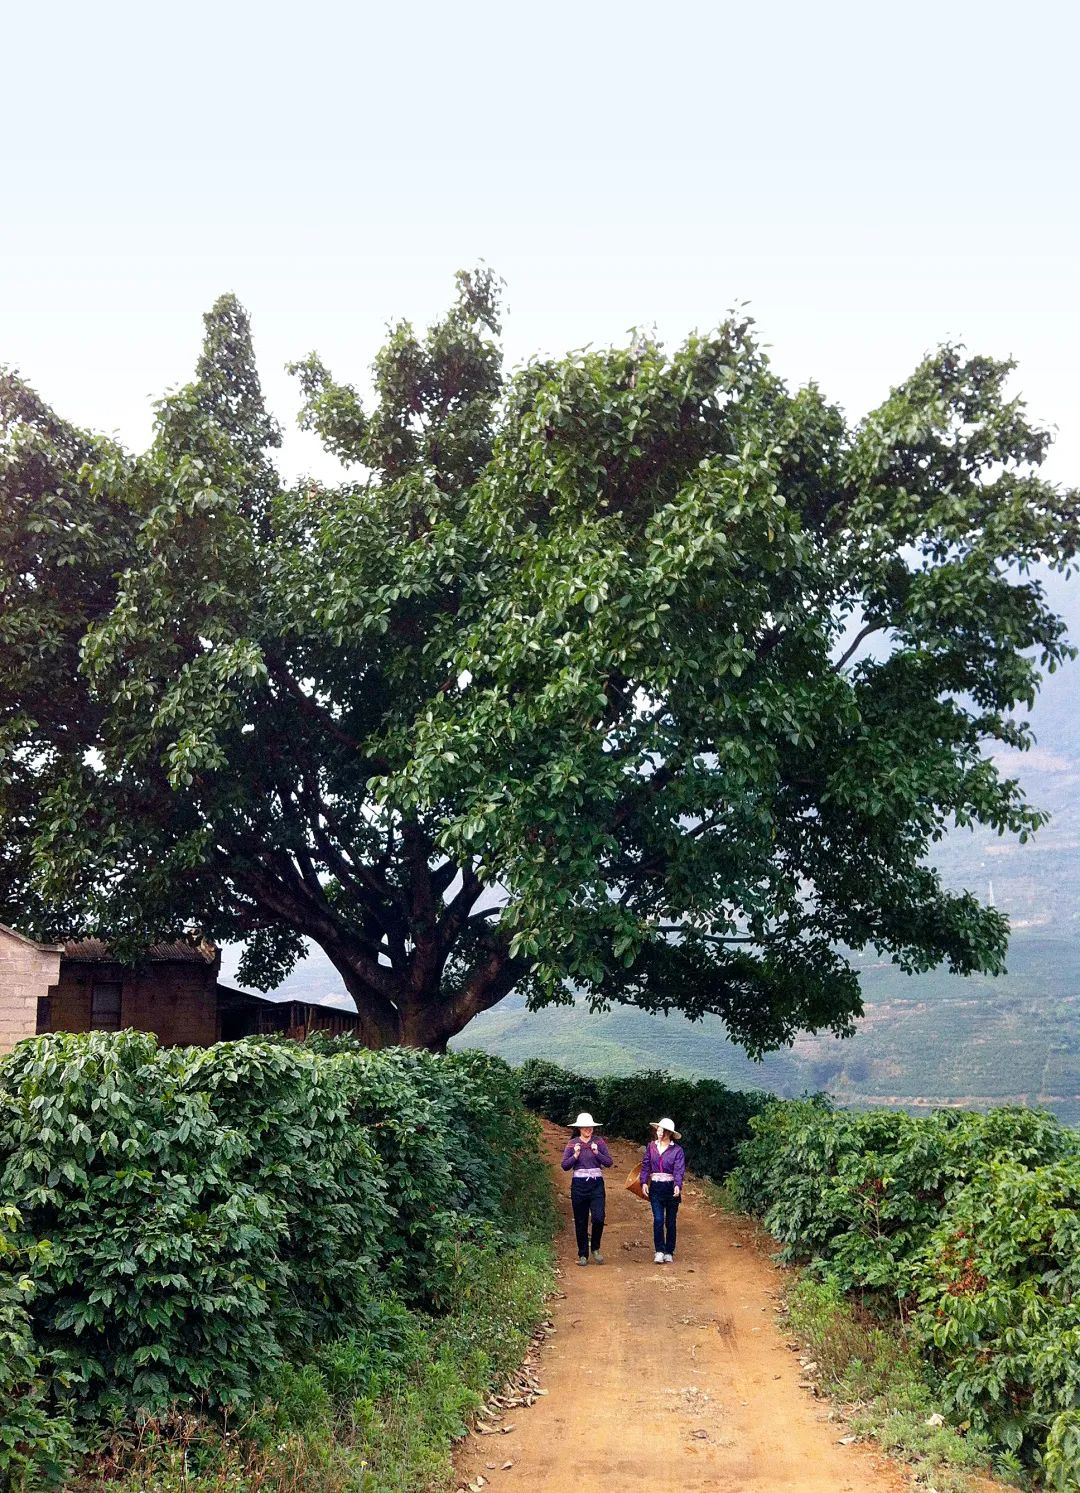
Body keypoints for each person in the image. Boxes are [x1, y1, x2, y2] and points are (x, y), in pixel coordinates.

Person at [560, 1111, 613, 1266]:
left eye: (590, 1127)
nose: (588, 1129)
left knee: (598, 1217)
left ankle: (595, 1247)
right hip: (579, 1185)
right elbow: (564, 1166)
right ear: (579, 1128)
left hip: (596, 1183)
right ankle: (583, 1254)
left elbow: (609, 1162)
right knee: (581, 1220)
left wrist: (597, 1153)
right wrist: (575, 1155)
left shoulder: (599, 1142)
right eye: (584, 1127)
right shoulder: (572, 1144)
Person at [640, 1118, 685, 1264]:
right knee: (658, 1219)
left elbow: (679, 1170)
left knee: (670, 1222)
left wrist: (678, 1185)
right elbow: (646, 1165)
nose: (660, 1133)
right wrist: (643, 1182)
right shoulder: (651, 1147)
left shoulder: (677, 1150)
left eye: (663, 1131)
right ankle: (659, 1250)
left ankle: (669, 1251)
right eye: (659, 1130)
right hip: (656, 1187)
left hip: (670, 1187)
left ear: (669, 1133)